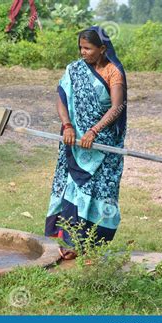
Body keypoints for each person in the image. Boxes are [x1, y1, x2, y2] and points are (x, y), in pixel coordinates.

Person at [45, 26, 128, 260]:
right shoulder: (74, 70)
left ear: (102, 49)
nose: (83, 52)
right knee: (72, 189)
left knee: (101, 193)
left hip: (103, 145)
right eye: (81, 48)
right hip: (75, 143)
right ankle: (71, 242)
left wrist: (94, 130)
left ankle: (92, 245)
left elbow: (117, 107)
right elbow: (61, 98)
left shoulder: (113, 72)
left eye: (88, 48)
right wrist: (68, 125)